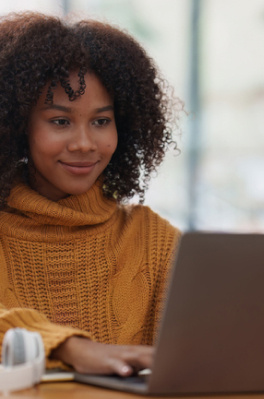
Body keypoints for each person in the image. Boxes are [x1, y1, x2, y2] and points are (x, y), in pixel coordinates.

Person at [0, 11, 182, 376]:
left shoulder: (154, 240)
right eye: (60, 121)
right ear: (18, 127)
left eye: (101, 121)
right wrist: (69, 347)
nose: (85, 144)